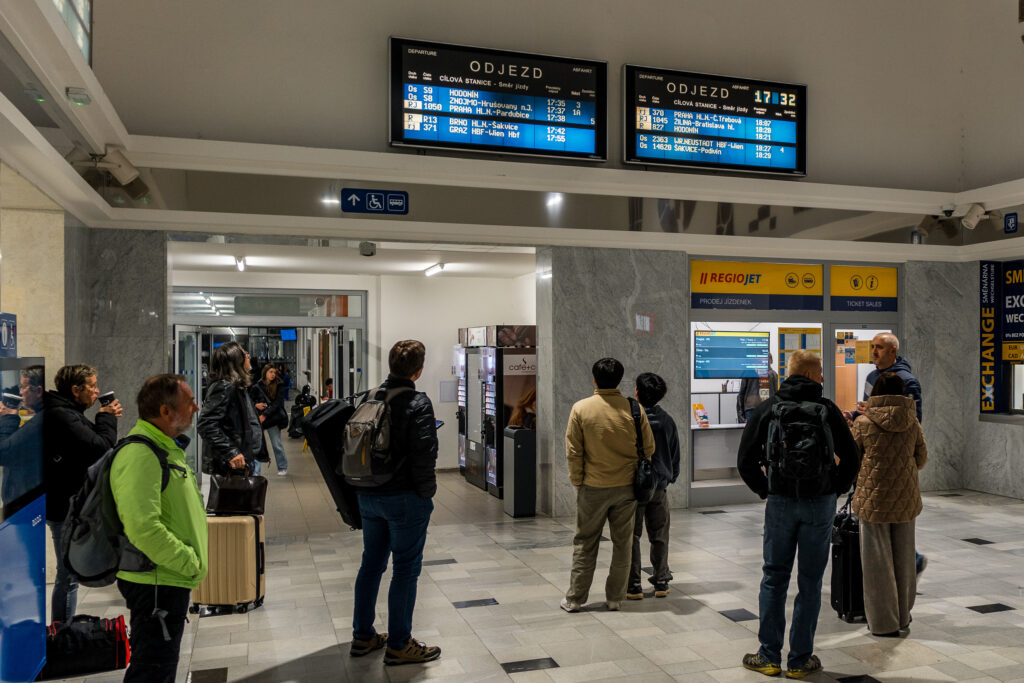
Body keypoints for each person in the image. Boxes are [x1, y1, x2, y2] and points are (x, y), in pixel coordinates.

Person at [737, 350, 860, 679]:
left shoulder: (769, 409)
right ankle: (800, 660)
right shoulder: (827, 410)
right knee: (810, 581)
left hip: (780, 503)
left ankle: (768, 656)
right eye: (819, 371)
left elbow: (745, 460)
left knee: (774, 577)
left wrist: (767, 489)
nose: (822, 376)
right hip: (819, 504)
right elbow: (851, 457)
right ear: (809, 373)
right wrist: (834, 487)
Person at [110, 374, 207, 683]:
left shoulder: (164, 447)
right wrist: (187, 561)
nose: (196, 407)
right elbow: (142, 527)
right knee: (152, 672)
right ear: (166, 411)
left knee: (160, 668)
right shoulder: (142, 454)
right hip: (157, 582)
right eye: (189, 402)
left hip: (166, 579)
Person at [350, 340, 441, 666]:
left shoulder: (370, 396)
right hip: (403, 498)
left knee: (371, 564)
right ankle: (400, 644)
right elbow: (424, 453)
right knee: (405, 569)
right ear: (418, 370)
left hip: (367, 494)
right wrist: (426, 494)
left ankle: (363, 636)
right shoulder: (418, 402)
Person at [562, 358, 654, 613]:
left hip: (592, 487)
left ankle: (575, 598)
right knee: (623, 543)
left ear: (594, 379)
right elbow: (649, 448)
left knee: (585, 542)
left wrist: (577, 480)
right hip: (626, 488)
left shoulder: (581, 409)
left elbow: (573, 451)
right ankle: (615, 597)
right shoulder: (634, 409)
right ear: (620, 380)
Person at [44, 364, 124, 623]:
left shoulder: (70, 411)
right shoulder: (62, 415)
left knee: (69, 575)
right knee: (68, 574)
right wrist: (107, 417)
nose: (97, 391)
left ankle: (62, 632)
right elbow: (100, 446)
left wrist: (105, 417)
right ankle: (62, 636)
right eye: (92, 386)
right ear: (76, 389)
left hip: (69, 502)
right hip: (63, 505)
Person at [844, 333, 927, 575]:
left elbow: (911, 421)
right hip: (873, 460)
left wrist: (871, 412)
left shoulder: (907, 381)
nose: (874, 352)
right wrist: (854, 415)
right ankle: (904, 563)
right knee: (879, 515)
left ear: (893, 351)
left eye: (879, 347)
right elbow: (868, 412)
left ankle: (908, 563)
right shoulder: (871, 376)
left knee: (894, 515)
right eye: (872, 347)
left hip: (896, 461)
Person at [851, 372, 927, 637]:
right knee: (905, 560)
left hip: (873, 501)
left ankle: (884, 623)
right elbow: (921, 458)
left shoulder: (863, 423)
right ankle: (904, 616)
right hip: (906, 499)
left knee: (877, 564)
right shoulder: (912, 421)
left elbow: (852, 459)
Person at [626, 373, 680, 600]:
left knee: (632, 536)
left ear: (637, 392)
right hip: (658, 487)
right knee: (659, 535)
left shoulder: (629, 419)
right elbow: (675, 456)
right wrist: (669, 478)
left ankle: (634, 585)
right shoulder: (667, 421)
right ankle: (660, 581)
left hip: (634, 487)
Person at [197, 341, 262, 476]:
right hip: (233, 464)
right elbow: (206, 424)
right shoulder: (225, 387)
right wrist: (231, 452)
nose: (248, 356)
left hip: (243, 459)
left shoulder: (237, 387)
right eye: (245, 354)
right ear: (236, 360)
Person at [0, 365, 45, 508]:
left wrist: (9, 417)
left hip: (25, 503)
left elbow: (3, 453)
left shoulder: (39, 422)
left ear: (38, 391)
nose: (20, 392)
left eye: (23, 387)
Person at [250, 364, 289, 476]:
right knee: (257, 445)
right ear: (265, 373)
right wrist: (256, 405)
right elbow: (249, 400)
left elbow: (278, 403)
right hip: (260, 419)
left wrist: (265, 414)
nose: (273, 374)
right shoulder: (258, 386)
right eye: (270, 372)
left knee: (276, 444)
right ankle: (256, 471)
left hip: (272, 418)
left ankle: (282, 466)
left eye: (274, 372)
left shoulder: (279, 384)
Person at [738, 353, 779, 422]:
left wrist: (740, 415)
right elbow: (776, 395)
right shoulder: (774, 375)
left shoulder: (748, 372)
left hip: (751, 408)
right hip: (767, 409)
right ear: (771, 361)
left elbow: (741, 394)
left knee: (751, 432)